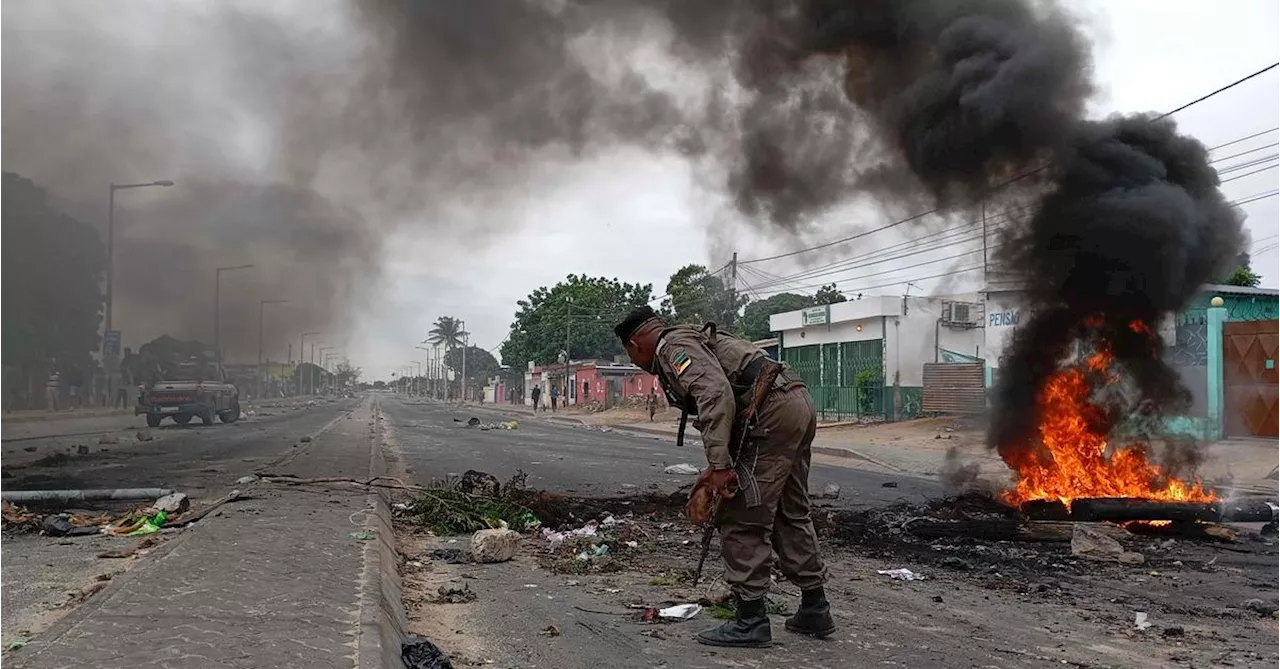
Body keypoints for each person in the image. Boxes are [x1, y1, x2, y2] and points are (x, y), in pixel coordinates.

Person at [613, 306, 832, 648]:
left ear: (634, 344)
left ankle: (751, 621)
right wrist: (718, 463)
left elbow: (715, 394)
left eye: (630, 353)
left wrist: (719, 467)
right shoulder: (690, 336)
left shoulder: (672, 348)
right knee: (791, 510)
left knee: (741, 514)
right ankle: (815, 608)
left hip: (770, 411)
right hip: (794, 401)